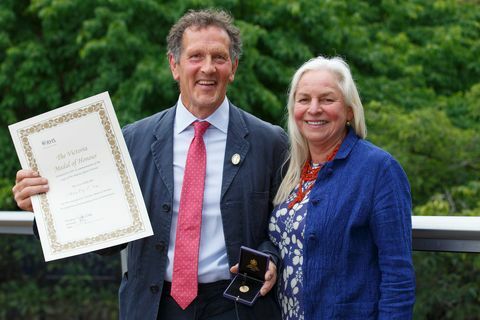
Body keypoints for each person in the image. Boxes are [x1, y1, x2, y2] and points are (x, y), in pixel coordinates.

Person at [11, 9, 287, 320]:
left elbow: (284, 228)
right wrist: (48, 207)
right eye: (196, 56)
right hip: (153, 307)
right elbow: (106, 240)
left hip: (236, 307)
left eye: (219, 58)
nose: (207, 68)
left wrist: (269, 259)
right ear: (174, 65)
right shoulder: (132, 141)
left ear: (233, 67)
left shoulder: (271, 142)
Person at [268, 56, 416, 320]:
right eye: (304, 100)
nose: (314, 109)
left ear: (349, 110)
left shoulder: (379, 170)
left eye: (327, 99)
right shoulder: (289, 169)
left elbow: (398, 277)